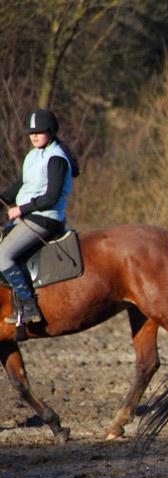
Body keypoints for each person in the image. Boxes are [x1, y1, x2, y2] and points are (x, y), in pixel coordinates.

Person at [0, 109, 77, 324]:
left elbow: (51, 197)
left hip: (45, 218)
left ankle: (29, 306)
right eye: (31, 132)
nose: (34, 136)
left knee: (2, 256)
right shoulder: (33, 156)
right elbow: (20, 185)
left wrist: (21, 209)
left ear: (51, 132)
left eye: (39, 132)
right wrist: (3, 198)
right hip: (30, 216)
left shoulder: (57, 159)